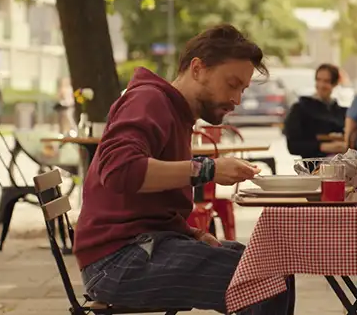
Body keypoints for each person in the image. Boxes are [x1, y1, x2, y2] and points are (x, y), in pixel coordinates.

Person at [73, 25, 294, 313]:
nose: (237, 99)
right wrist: (207, 170)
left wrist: (190, 233)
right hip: (117, 263)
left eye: (242, 89)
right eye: (231, 84)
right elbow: (119, 171)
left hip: (140, 248)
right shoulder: (149, 100)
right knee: (263, 279)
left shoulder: (175, 112)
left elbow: (150, 206)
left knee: (271, 265)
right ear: (198, 68)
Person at [283, 63, 347, 161]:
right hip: (314, 166)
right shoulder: (300, 108)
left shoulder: (341, 112)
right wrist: (324, 147)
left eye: (326, 81)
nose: (321, 85)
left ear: (335, 84)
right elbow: (293, 145)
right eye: (318, 80)